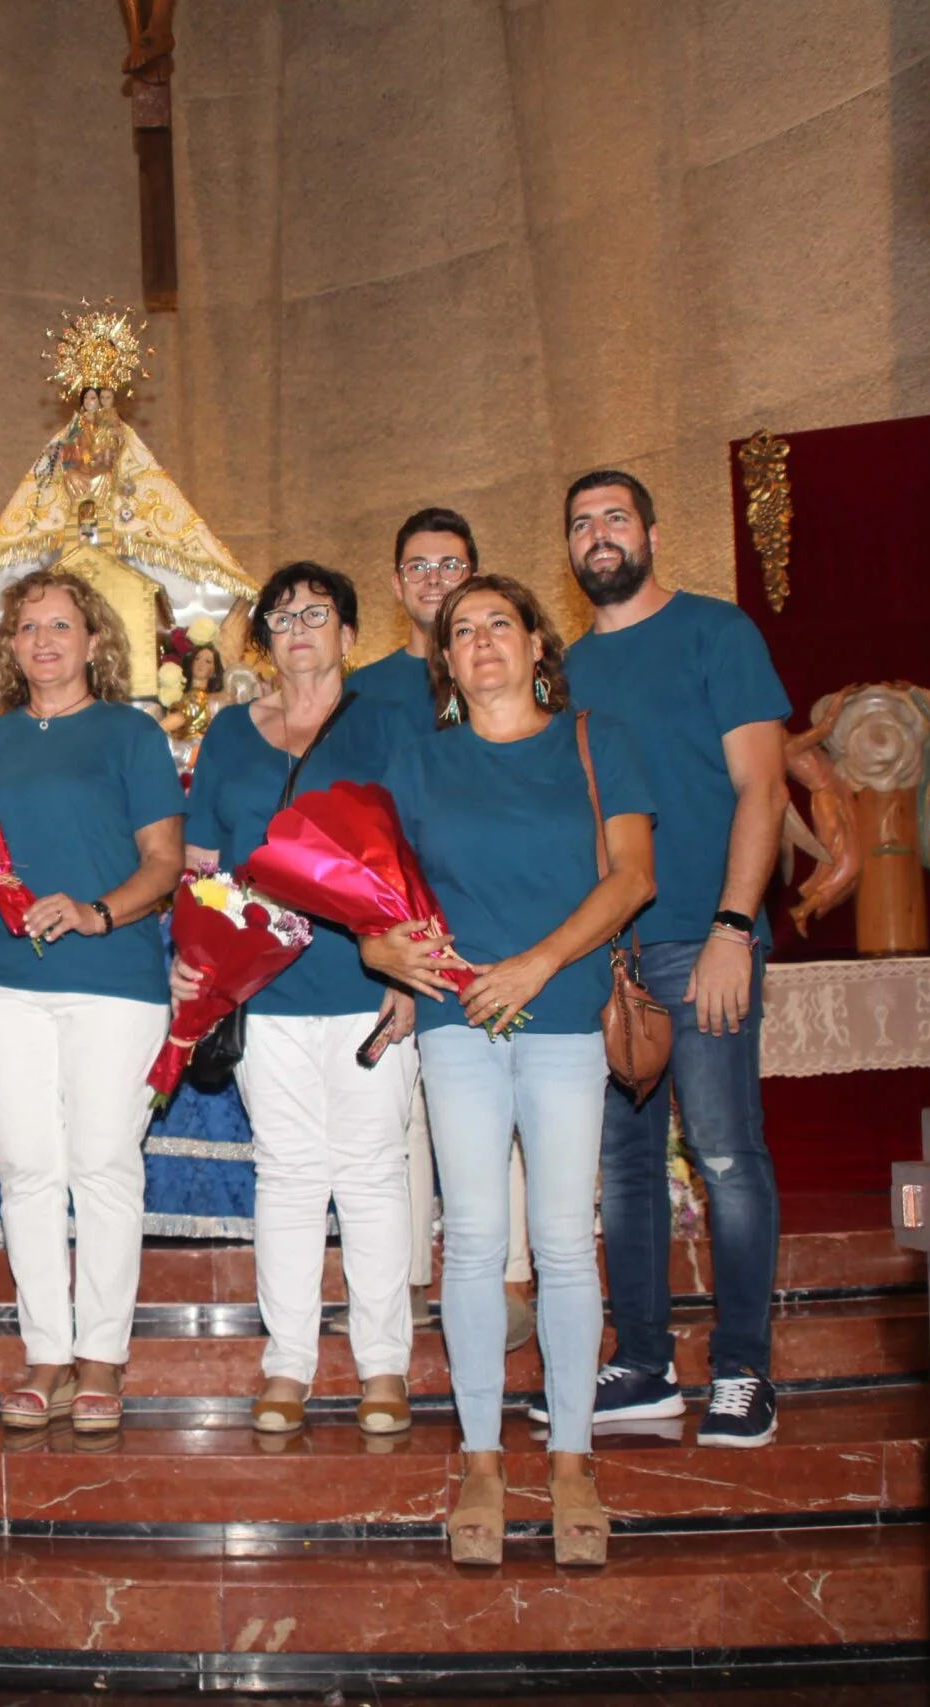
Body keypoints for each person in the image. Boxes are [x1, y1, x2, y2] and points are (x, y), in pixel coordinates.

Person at [366, 573, 655, 1568]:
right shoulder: (418, 762)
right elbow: (374, 890)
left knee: (564, 1242)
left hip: (567, 1012)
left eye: (500, 625)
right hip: (456, 1024)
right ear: (443, 662)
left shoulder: (595, 742)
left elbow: (632, 877)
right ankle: (483, 1456)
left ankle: (571, 1457)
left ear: (539, 645)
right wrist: (382, 953)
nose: (481, 641)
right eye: (461, 632)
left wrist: (537, 961)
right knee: (477, 1235)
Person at [560, 469, 791, 1449]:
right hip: (605, 958)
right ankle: (643, 1363)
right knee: (621, 1168)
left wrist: (735, 927)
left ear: (652, 532)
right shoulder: (561, 670)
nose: (599, 535)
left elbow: (762, 788)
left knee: (725, 1152)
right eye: (581, 525)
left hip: (702, 936)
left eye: (615, 517)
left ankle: (742, 1368)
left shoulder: (716, 632)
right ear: (569, 553)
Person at [0, 569, 184, 1433]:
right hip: (2, 977)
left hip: (112, 976)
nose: (43, 641)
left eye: (61, 626)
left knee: (103, 1165)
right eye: (28, 627)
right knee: (27, 1169)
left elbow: (164, 862)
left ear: (95, 640)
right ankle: (46, 1350)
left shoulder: (132, 733)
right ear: (9, 645)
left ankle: (103, 1356)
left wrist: (95, 910)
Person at [177, 564, 416, 1436]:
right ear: (264, 641)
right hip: (263, 992)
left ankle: (383, 1363)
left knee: (371, 1172)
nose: (299, 629)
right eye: (281, 618)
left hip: (367, 985)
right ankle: (288, 1362)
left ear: (351, 633)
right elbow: (202, 867)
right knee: (285, 1173)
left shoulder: (390, 726)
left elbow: (422, 851)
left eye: (317, 613)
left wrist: (409, 972)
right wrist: (198, 962)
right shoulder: (231, 736)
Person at [347, 508, 534, 1350]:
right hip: (410, 923)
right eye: (416, 566)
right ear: (396, 585)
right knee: (419, 1109)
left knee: (507, 1105)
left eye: (449, 564)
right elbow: (370, 819)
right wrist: (392, 942)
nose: (432, 577)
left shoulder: (507, 672)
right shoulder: (373, 687)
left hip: (499, 915)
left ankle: (511, 1274)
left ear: (475, 573)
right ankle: (426, 1277)